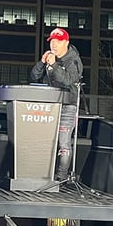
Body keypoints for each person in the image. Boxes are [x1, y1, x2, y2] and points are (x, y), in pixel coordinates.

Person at [30, 28, 84, 180]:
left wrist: (54, 66)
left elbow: (68, 80)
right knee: (44, 141)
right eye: (52, 41)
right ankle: (42, 174)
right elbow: (34, 76)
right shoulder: (50, 57)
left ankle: (61, 178)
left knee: (63, 143)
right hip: (49, 105)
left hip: (68, 106)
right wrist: (42, 62)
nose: (53, 44)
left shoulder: (73, 60)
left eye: (57, 41)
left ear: (66, 42)